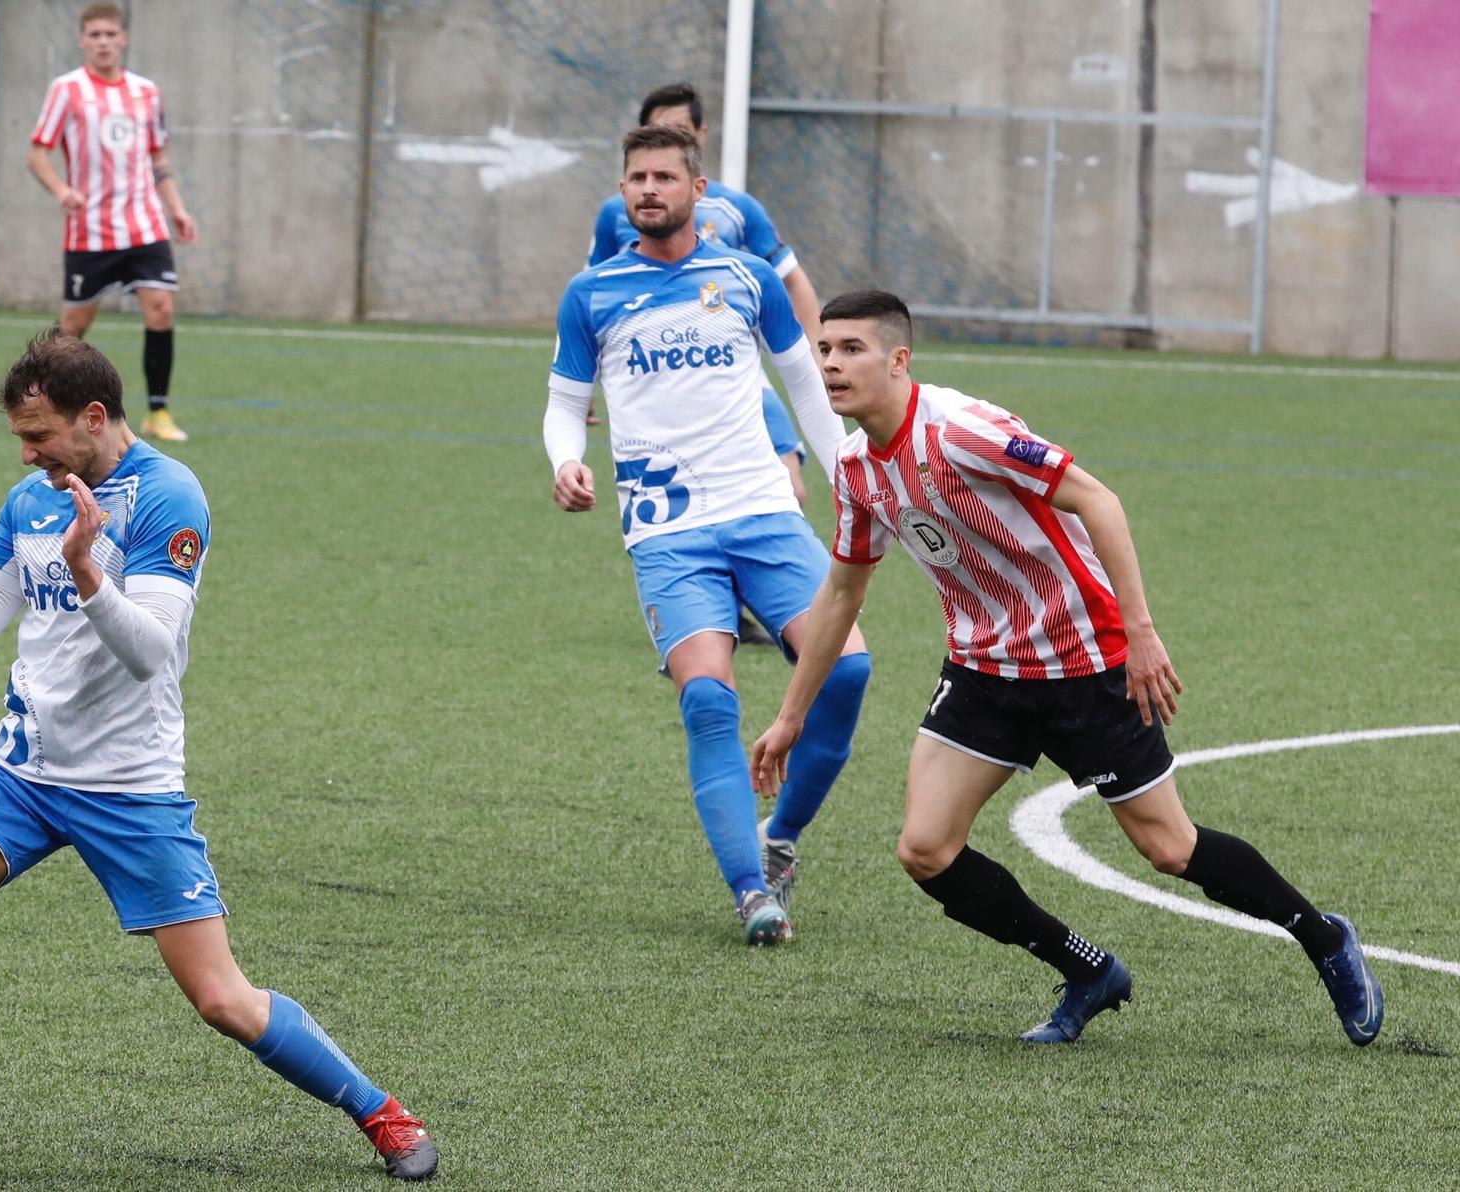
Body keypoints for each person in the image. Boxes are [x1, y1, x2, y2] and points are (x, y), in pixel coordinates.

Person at [0, 330, 438, 1181]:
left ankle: (383, 1114)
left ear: (93, 418)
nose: (25, 455)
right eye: (20, 440)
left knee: (222, 1000)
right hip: (22, 774)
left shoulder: (170, 498)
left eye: (39, 437)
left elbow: (151, 652)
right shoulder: (32, 498)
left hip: (128, 787)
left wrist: (88, 572)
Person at [751, 290, 1384, 1045]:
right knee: (925, 849)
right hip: (984, 672)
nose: (831, 364)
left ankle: (1322, 936)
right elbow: (842, 592)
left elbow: (1098, 500)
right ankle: (1087, 970)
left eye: (851, 349)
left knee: (1169, 848)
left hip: (1085, 663)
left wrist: (1140, 633)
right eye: (824, 350)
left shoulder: (964, 432)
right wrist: (791, 714)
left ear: (898, 359)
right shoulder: (856, 468)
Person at [546, 125, 872, 945]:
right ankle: (750, 890)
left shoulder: (746, 277)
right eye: (635, 178)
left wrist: (857, 483)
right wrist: (566, 458)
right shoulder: (593, 292)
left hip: (764, 510)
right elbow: (564, 402)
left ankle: (781, 834)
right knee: (706, 699)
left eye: (663, 176)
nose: (647, 189)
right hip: (666, 528)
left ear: (699, 190)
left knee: (849, 670)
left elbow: (806, 387)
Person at [590, 82, 820, 648]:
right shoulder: (615, 216)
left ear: (700, 139)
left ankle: (769, 591)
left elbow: (792, 279)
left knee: (790, 487)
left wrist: (820, 350)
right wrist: (587, 388)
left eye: (681, 131)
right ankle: (715, 603)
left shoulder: (739, 210)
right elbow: (594, 298)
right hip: (661, 378)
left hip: (742, 379)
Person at [28, 3, 197, 443]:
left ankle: (157, 410)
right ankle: (47, 404)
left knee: (161, 308)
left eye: (111, 34)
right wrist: (62, 190)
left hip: (145, 225)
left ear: (123, 39)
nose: (103, 42)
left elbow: (158, 156)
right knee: (74, 327)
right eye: (95, 35)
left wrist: (176, 208)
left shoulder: (146, 92)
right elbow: (38, 152)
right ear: (83, 40)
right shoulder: (67, 90)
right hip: (92, 230)